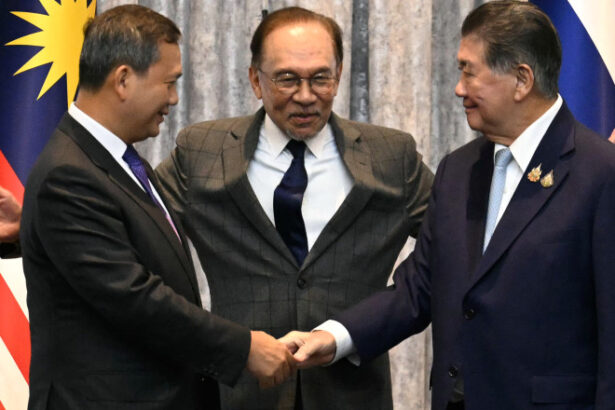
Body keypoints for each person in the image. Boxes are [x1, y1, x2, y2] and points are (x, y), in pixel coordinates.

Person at [281, 2, 615, 410]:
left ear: (521, 80)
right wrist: (333, 336)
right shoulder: (459, 170)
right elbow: (419, 287)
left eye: (469, 72)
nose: (458, 88)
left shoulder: (601, 174)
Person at [155, 6, 433, 409]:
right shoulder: (203, 152)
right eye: (287, 79)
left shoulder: (391, 156)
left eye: (320, 78)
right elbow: (136, 234)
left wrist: (359, 328)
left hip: (353, 395)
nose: (305, 96)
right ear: (256, 80)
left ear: (339, 76)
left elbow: (451, 252)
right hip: (239, 396)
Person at [19, 5, 294, 409]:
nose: (174, 98)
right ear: (123, 80)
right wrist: (243, 348)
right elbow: (134, 298)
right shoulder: (70, 174)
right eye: (169, 83)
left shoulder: (118, 160)